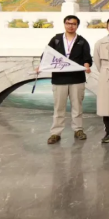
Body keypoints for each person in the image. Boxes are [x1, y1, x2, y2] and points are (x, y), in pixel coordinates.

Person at [45, 15, 92, 145]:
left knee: (77, 107)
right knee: (59, 107)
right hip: (59, 79)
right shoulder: (56, 40)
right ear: (64, 24)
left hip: (77, 79)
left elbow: (87, 58)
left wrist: (87, 65)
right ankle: (55, 133)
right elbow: (47, 55)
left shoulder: (82, 41)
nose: (71, 26)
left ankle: (78, 130)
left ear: (77, 26)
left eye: (74, 24)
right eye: (68, 23)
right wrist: (41, 66)